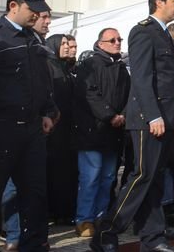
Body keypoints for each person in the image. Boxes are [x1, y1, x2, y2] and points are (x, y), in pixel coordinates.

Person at [91, 0, 174, 252]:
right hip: (149, 119)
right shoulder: (143, 31)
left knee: (154, 179)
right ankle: (106, 233)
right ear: (159, 2)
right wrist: (154, 116)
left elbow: (170, 82)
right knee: (141, 176)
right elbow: (143, 79)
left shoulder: (164, 33)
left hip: (164, 119)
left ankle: (153, 238)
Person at [0, 0, 58, 252]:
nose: (37, 15)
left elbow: (41, 80)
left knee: (34, 193)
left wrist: (46, 111)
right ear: (13, 6)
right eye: (32, 10)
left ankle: (32, 245)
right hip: (3, 128)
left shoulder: (35, 39)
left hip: (33, 129)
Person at [72, 28, 130, 237]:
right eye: (112, 40)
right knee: (91, 177)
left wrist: (122, 114)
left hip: (113, 133)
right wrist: (110, 115)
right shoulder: (90, 64)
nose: (117, 43)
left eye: (119, 39)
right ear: (100, 43)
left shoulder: (122, 68)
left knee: (108, 177)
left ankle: (101, 216)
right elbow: (89, 93)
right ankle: (84, 219)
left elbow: (129, 94)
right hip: (92, 132)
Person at [44, 34, 78, 225]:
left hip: (66, 130)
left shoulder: (63, 68)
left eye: (68, 44)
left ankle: (62, 210)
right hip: (54, 129)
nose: (66, 47)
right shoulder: (50, 66)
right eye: (63, 43)